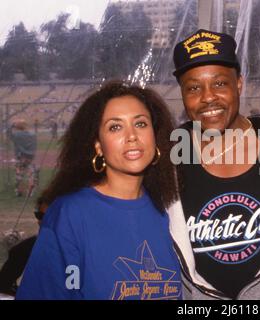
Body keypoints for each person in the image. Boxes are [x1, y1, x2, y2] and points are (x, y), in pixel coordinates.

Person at [167, 29, 260, 299]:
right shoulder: (174, 152)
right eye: (194, 87)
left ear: (239, 84)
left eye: (220, 83)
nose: (208, 97)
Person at [16, 81, 182, 300]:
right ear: (98, 146)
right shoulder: (70, 214)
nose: (132, 136)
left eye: (141, 124)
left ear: (155, 135)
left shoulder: (168, 209)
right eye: (115, 127)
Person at [0, 196, 48, 297]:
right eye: (38, 215)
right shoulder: (25, 248)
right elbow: (4, 285)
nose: (39, 221)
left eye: (44, 216)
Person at [6, 119, 37, 197]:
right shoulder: (32, 134)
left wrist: (12, 125)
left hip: (20, 156)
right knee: (30, 174)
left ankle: (19, 191)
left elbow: (8, 133)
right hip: (30, 157)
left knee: (19, 174)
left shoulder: (16, 135)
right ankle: (30, 190)